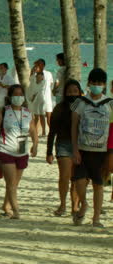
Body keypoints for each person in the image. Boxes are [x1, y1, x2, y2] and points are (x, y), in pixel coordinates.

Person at [71, 68, 113, 227]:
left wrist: (110, 154)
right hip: (82, 150)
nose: (97, 85)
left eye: (100, 83)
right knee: (79, 181)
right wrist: (74, 149)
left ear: (104, 85)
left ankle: (96, 218)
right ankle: (84, 203)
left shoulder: (110, 104)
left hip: (101, 152)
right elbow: (74, 127)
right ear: (88, 84)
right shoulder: (80, 103)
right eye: (94, 82)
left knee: (98, 184)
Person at [0, 84, 38, 219]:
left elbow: (33, 129)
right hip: (6, 150)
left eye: (20, 94)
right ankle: (16, 211)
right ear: (10, 97)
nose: (18, 97)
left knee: (14, 184)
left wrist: (35, 144)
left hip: (22, 152)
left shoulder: (27, 112)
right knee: (11, 183)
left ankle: (6, 206)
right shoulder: (3, 111)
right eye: (15, 94)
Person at [46, 79, 82, 217]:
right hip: (63, 144)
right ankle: (63, 204)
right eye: (69, 91)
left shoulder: (84, 107)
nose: (72, 93)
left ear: (80, 92)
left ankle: (75, 206)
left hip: (80, 145)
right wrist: (49, 152)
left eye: (75, 91)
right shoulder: (59, 108)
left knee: (77, 178)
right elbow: (52, 132)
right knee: (65, 176)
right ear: (65, 93)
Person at [28, 67, 48, 136]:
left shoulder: (43, 82)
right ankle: (35, 131)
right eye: (38, 76)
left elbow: (37, 92)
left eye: (40, 76)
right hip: (35, 100)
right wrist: (33, 70)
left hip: (40, 99)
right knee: (36, 116)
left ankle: (43, 131)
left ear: (42, 77)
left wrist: (33, 98)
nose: (38, 78)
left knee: (41, 115)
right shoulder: (34, 80)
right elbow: (31, 77)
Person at [36, 59, 54, 129]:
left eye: (39, 64)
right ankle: (43, 131)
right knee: (41, 115)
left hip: (47, 97)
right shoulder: (36, 74)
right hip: (40, 97)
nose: (38, 65)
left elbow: (51, 83)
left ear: (43, 65)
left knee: (48, 115)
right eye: (37, 64)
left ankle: (51, 130)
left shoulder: (48, 73)